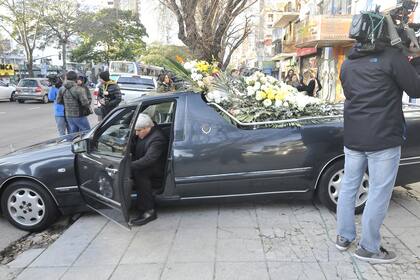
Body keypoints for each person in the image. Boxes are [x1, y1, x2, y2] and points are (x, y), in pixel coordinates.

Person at [337, 45, 420, 263]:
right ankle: (369, 248)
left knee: (348, 187)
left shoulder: (347, 62)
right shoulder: (392, 58)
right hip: (383, 139)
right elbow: (416, 89)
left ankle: (343, 237)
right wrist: (417, 59)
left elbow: (350, 93)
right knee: (378, 192)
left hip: (354, 136)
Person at [130, 113, 168, 226]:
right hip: (151, 165)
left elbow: (148, 160)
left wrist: (128, 166)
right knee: (138, 171)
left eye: (139, 130)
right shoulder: (146, 132)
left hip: (158, 169)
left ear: (147, 127)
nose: (136, 133)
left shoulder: (157, 139)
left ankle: (149, 211)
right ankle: (141, 203)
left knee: (141, 174)